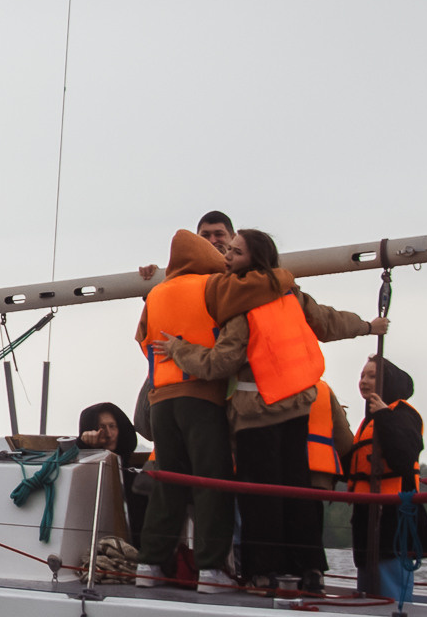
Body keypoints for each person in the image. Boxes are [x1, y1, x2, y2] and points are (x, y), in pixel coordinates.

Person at [162, 229, 385, 592]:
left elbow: (221, 362)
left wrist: (178, 349)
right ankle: (309, 568)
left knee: (258, 498)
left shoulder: (240, 305)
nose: (228, 257)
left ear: (252, 258)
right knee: (296, 492)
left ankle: (261, 572)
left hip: (255, 415)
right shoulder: (291, 294)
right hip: (296, 408)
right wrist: (367, 326)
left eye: (235, 252)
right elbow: (326, 321)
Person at [131, 229, 241, 585]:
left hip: (162, 399)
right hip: (202, 394)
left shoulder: (157, 293)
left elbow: (142, 339)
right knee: (211, 482)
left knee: (169, 483)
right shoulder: (213, 285)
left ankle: (148, 565)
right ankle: (211, 569)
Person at [345, 356, 427, 603]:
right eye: (362, 375)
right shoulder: (368, 421)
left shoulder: (402, 414)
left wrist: (384, 416)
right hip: (366, 517)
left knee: (389, 588)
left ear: (388, 381)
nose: (364, 381)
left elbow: (404, 456)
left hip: (393, 517)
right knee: (367, 585)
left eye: (372, 376)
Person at [76, 401, 150, 543]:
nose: (109, 434)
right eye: (102, 428)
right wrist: (84, 446)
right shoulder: (80, 473)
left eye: (112, 426)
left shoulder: (136, 478)